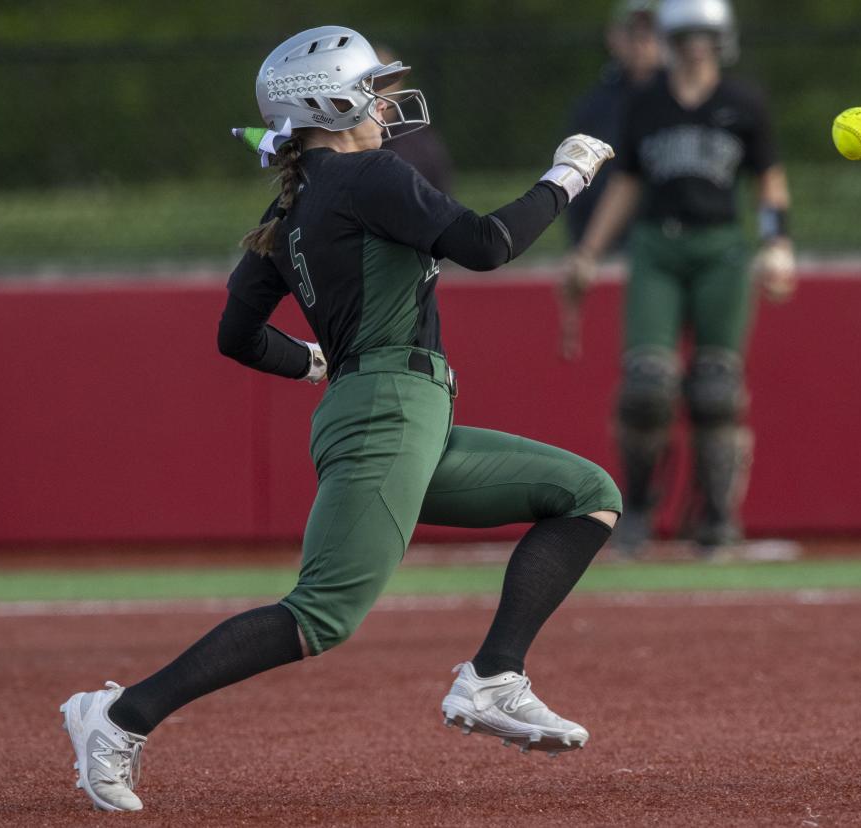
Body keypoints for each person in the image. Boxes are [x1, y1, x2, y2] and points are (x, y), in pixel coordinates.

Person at [59, 26, 619, 813]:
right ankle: (118, 717)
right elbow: (487, 245)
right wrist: (567, 175)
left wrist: (317, 363)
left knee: (586, 491)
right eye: (376, 86)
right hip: (389, 412)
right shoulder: (367, 175)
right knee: (321, 613)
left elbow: (236, 335)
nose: (389, 100)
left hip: (387, 408)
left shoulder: (291, 200)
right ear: (331, 99)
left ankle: (495, 676)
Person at [565, 0, 795, 558]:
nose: (696, 48)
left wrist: (777, 241)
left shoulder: (742, 102)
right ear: (671, 41)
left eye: (705, 37)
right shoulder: (646, 102)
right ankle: (639, 512)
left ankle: (716, 520)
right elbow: (627, 183)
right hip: (656, 249)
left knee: (717, 387)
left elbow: (769, 180)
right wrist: (589, 251)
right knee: (646, 386)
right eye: (687, 36)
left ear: (722, 40)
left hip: (720, 248)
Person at [565, 0, 662, 249]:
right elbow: (574, 173)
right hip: (609, 244)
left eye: (649, 32)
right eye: (632, 33)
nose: (641, 41)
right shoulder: (594, 106)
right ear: (614, 38)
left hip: (669, 239)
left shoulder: (686, 101)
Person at [374, 44, 456, 195]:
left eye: (387, 81)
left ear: (399, 84)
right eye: (372, 83)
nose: (380, 90)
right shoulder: (346, 141)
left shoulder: (420, 142)